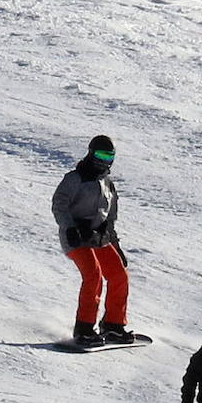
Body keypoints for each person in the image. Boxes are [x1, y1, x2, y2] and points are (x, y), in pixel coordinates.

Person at [51, 135, 132, 347]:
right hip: (76, 237)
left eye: (109, 155)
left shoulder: (108, 184)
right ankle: (84, 328)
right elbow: (59, 204)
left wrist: (116, 245)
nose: (104, 160)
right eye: (100, 155)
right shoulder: (75, 179)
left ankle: (113, 325)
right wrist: (69, 228)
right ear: (91, 153)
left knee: (119, 275)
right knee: (93, 275)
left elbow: (110, 218)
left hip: (99, 237)